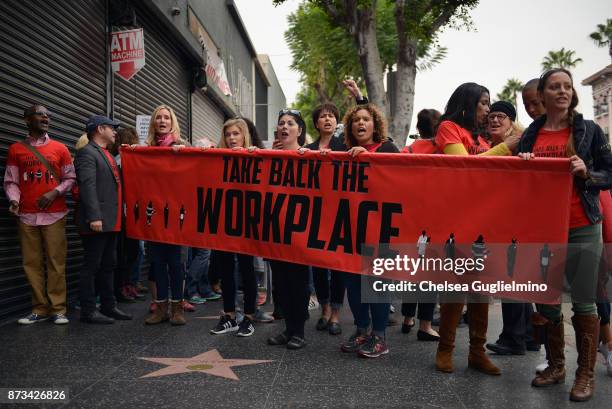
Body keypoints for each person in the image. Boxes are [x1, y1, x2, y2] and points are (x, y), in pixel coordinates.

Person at [518, 68, 612, 402]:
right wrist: (523, 163)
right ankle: (556, 365)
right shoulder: (532, 133)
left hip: (582, 223)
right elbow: (518, 181)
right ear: (542, 95)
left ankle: (584, 374)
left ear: (573, 93)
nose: (562, 91)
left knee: (585, 300)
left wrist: (588, 173)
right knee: (545, 298)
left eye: (567, 87)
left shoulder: (588, 131)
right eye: (555, 87)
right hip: (542, 228)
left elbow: (609, 173)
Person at [433, 83, 511, 376]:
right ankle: (445, 350)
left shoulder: (485, 136)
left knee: (482, 287)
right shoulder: (449, 127)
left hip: (486, 219)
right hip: (457, 218)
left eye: (489, 104)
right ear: (467, 104)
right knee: (456, 284)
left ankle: (477, 352)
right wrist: (506, 147)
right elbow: (463, 164)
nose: (488, 110)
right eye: (483, 103)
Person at [4, 104, 75, 325]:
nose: (45, 118)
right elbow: (11, 181)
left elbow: (70, 178)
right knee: (31, 263)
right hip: (26, 215)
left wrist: (54, 192)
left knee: (56, 262)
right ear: (27, 120)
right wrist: (14, 200)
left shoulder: (60, 148)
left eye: (48, 115)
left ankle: (58, 309)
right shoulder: (16, 149)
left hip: (54, 214)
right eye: (40, 114)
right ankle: (39, 308)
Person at [338, 103, 399, 358]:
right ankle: (362, 330)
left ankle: (380, 336)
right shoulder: (341, 150)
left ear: (375, 125)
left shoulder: (388, 148)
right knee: (352, 282)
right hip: (351, 228)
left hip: (382, 229)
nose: (360, 124)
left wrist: (369, 158)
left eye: (366, 119)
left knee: (376, 283)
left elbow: (398, 182)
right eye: (356, 120)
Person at [75, 115, 132, 324]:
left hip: (111, 221)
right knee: (92, 266)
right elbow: (87, 187)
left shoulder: (106, 153)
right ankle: (88, 311)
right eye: (112, 128)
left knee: (109, 264)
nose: (115, 131)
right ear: (100, 129)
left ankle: (109, 306)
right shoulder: (86, 153)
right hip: (97, 222)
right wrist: (94, 216)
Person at [209, 118, 260, 337]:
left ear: (244, 135)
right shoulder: (217, 158)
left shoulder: (256, 156)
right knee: (226, 270)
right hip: (223, 222)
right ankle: (229, 315)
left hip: (247, 223)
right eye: (228, 134)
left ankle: (249, 317)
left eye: (236, 134)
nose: (231, 138)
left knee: (247, 270)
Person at [266, 109, 311, 350]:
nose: (285, 127)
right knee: (281, 283)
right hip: (275, 231)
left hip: (300, 232)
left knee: (298, 282)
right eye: (281, 123)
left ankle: (299, 331)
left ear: (299, 131)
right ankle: (288, 329)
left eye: (290, 124)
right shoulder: (269, 158)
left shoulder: (310, 157)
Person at [144, 105, 189, 326]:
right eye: (158, 118)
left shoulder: (181, 146)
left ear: (172, 122)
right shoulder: (145, 150)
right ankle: (160, 308)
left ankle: (178, 308)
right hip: (154, 215)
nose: (162, 121)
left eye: (166, 117)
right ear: (153, 123)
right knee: (158, 263)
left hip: (177, 216)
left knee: (176, 264)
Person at [305, 103, 346, 335]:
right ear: (317, 123)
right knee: (319, 265)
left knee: (338, 265)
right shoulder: (308, 148)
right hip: (316, 214)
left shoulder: (345, 145)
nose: (328, 119)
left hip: (340, 213)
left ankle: (336, 314)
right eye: (323, 117)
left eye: (331, 115)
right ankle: (325, 308)